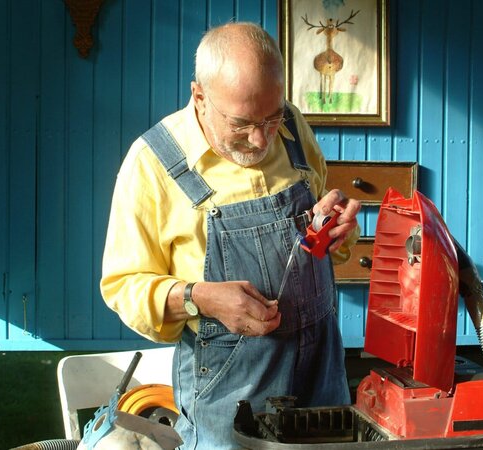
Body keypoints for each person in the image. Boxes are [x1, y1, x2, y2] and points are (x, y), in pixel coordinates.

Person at [100, 22, 361, 449]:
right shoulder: (151, 164)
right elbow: (123, 287)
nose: (260, 139)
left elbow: (320, 228)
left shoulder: (293, 128)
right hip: (229, 394)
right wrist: (198, 297)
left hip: (322, 377)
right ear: (200, 96)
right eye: (241, 123)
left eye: (271, 117)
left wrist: (334, 229)